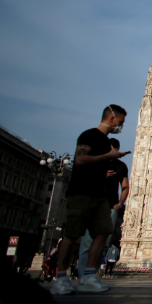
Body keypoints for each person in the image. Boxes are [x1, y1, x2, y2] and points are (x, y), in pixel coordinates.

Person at [49, 105, 130, 296]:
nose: (122, 125)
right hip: (81, 192)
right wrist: (107, 157)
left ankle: (88, 275)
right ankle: (60, 278)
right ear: (112, 119)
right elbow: (79, 160)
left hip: (100, 196)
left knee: (103, 233)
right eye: (121, 121)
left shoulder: (105, 141)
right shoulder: (89, 136)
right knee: (71, 236)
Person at [78, 137, 130, 280]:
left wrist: (119, 204)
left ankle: (91, 274)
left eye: (114, 150)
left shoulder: (121, 166)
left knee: (104, 242)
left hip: (110, 207)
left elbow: (125, 186)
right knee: (88, 240)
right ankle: (84, 275)